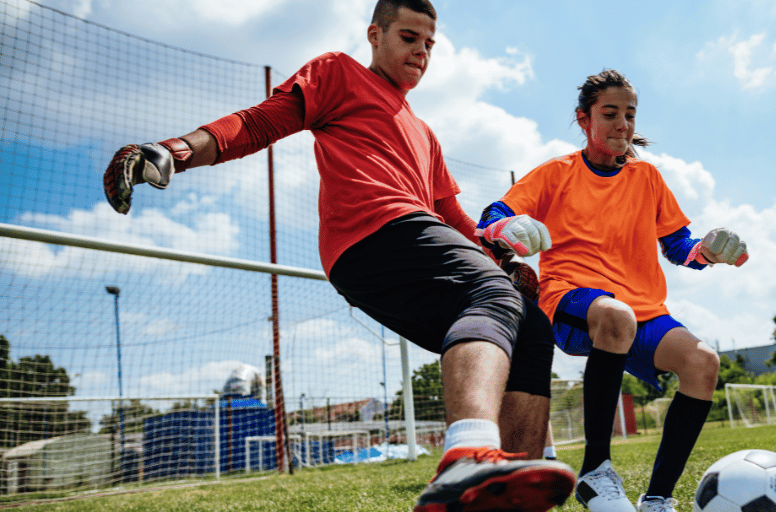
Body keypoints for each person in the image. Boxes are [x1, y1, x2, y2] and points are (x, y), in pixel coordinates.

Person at [100, 1, 575, 510]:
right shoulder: (339, 72)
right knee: (490, 293)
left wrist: (499, 254)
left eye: (429, 44)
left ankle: (502, 495)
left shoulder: (426, 134)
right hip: (371, 231)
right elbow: (261, 122)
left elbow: (454, 220)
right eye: (409, 37)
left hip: (408, 240)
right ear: (376, 34)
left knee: (531, 326)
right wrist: (177, 150)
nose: (421, 52)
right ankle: (468, 456)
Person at [476, 69, 749, 512]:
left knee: (703, 362)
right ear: (584, 120)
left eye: (630, 114)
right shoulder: (556, 173)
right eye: (610, 113)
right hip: (572, 299)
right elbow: (494, 214)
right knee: (615, 315)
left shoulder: (649, 179)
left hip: (641, 309)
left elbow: (679, 247)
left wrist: (708, 250)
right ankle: (595, 472)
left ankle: (658, 498)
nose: (623, 123)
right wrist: (507, 226)